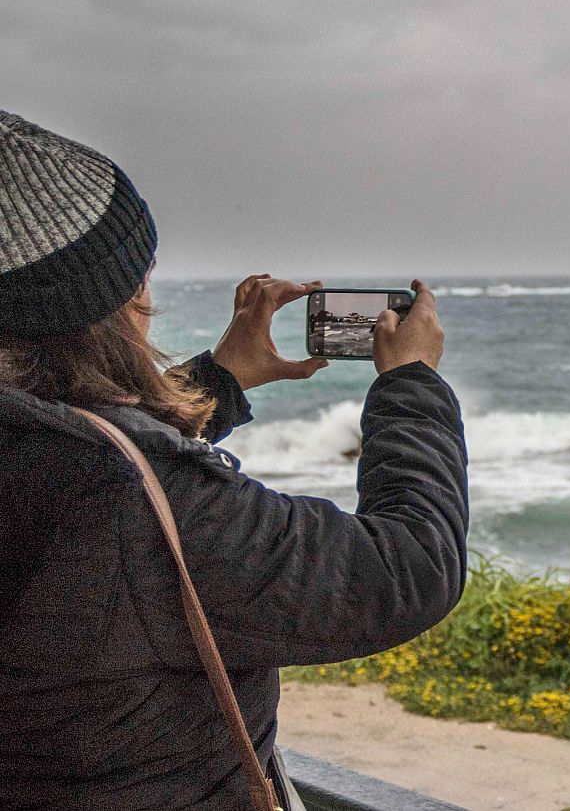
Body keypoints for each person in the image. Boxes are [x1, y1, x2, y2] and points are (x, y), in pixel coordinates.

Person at [0, 111, 469, 809]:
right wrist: (410, 384)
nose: (147, 298)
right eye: (141, 278)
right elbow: (408, 567)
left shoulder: (50, 459)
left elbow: (72, 442)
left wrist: (219, 379)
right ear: (104, 304)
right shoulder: (133, 506)